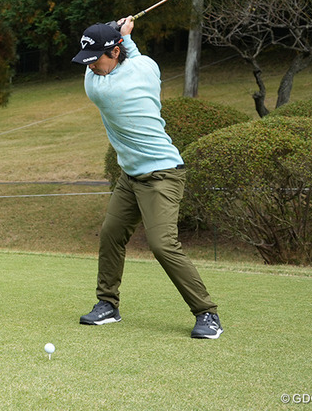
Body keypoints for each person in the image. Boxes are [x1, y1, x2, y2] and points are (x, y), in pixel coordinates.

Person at [72, 17, 222, 339]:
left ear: (113, 52)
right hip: (130, 175)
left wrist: (119, 32)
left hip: (163, 174)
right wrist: (123, 37)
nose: (90, 67)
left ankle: (208, 313)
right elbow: (133, 56)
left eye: (95, 59)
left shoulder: (103, 90)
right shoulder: (146, 67)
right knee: (111, 234)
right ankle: (107, 305)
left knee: (162, 244)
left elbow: (113, 62)